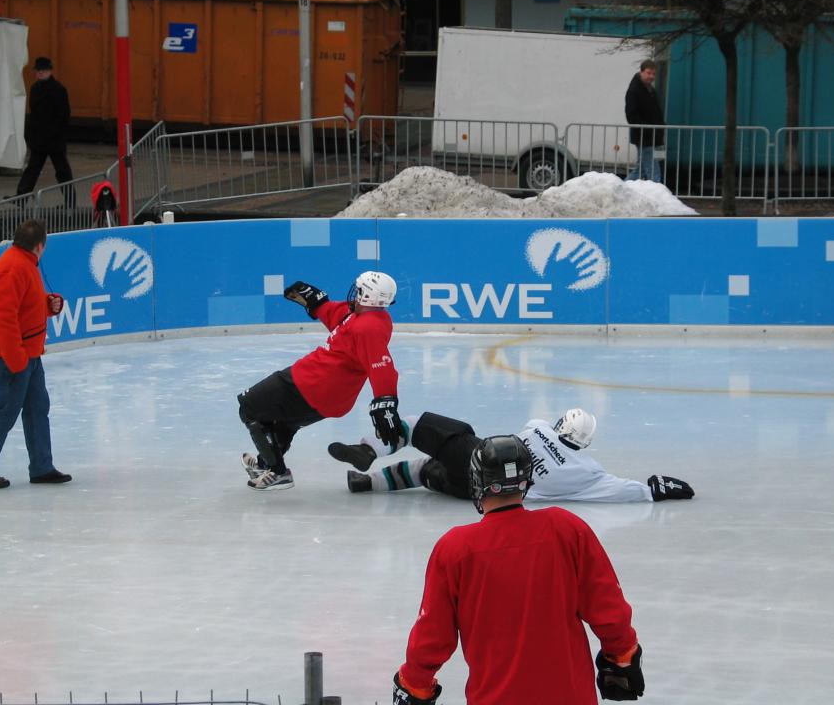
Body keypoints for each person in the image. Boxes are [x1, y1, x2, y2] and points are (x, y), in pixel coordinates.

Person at [392, 435, 645, 705]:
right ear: (527, 478)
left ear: (477, 481)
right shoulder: (567, 529)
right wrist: (621, 656)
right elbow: (608, 609)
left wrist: (414, 683)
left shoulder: (455, 549)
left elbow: (432, 636)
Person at [237, 271, 405, 491]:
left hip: (312, 383)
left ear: (367, 296)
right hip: (329, 395)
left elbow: (381, 366)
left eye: (360, 290)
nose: (355, 294)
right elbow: (340, 318)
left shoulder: (368, 328)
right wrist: (318, 302)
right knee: (286, 421)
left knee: (250, 407)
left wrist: (386, 403)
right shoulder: (366, 317)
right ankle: (265, 464)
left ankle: (277, 472)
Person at [330, 408, 694, 503]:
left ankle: (368, 455)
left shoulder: (537, 426)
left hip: (480, 457)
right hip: (482, 494)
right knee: (429, 471)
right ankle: (369, 483)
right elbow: (623, 490)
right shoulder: (587, 472)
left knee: (420, 427)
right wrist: (654, 489)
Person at [0, 219, 71, 489]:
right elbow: (3, 319)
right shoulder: (11, 268)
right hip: (11, 357)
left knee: (37, 408)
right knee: (6, 410)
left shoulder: (25, 263)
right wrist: (15, 361)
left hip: (28, 355)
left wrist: (49, 305)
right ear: (40, 246)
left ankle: (42, 467)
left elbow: (25, 307)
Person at [16, 56, 75, 207]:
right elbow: (34, 114)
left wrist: (55, 134)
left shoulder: (59, 90)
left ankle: (70, 201)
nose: (40, 73)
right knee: (34, 170)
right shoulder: (36, 89)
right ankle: (20, 199)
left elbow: (64, 115)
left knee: (61, 172)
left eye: (43, 71)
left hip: (53, 140)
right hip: (41, 139)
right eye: (38, 71)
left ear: (49, 71)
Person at [624, 58, 665, 184]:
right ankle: (658, 197)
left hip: (655, 136)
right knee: (654, 172)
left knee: (640, 170)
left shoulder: (649, 89)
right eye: (648, 73)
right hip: (645, 137)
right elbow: (631, 115)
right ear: (641, 72)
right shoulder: (635, 90)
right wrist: (648, 129)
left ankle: (621, 189)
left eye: (653, 74)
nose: (651, 76)